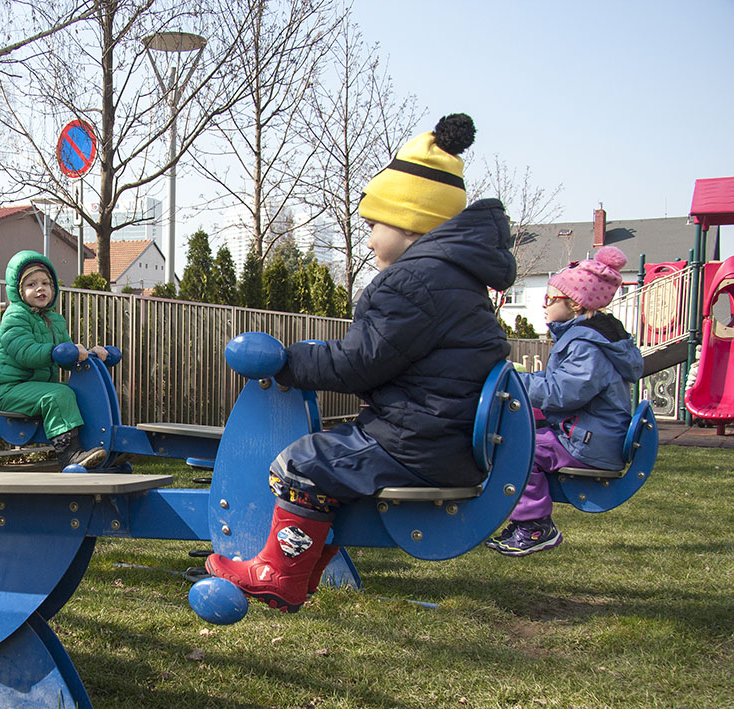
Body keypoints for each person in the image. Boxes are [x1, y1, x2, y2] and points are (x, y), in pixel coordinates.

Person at [206, 113, 517, 612]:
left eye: (373, 224)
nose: (368, 237)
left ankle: (279, 574)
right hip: (443, 436)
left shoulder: (413, 282)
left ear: (409, 222)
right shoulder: (456, 279)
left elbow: (359, 363)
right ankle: (302, 570)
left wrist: (289, 361)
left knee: (301, 464)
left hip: (418, 443)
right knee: (329, 453)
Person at [488, 246, 643, 556]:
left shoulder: (587, 345)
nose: (544, 305)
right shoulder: (586, 339)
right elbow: (561, 386)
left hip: (589, 444)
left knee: (520, 448)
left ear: (575, 303)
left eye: (550, 299)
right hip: (587, 434)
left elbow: (562, 393)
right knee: (521, 434)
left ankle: (535, 526)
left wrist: (516, 383)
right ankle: (524, 522)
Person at [0, 250, 109, 469]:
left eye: (45, 283)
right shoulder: (14, 316)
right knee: (59, 395)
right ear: (18, 290)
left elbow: (66, 354)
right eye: (31, 284)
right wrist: (56, 351)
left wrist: (89, 351)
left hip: (38, 387)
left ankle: (103, 446)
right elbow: (25, 353)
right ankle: (69, 454)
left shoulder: (55, 320)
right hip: (12, 389)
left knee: (79, 393)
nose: (40, 288)